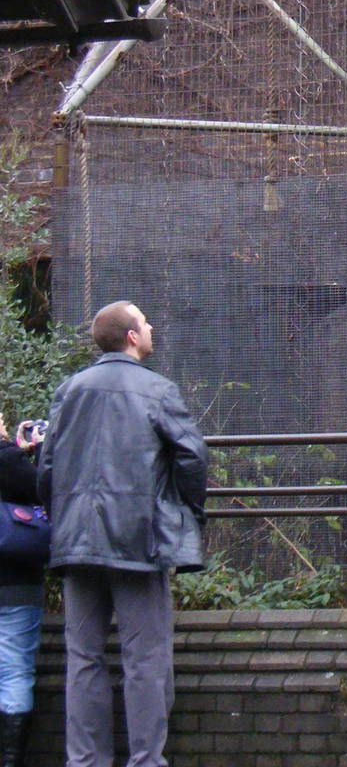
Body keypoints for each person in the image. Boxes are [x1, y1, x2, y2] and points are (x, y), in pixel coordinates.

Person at [38, 301, 207, 767]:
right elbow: (191, 458)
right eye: (146, 323)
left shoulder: (69, 389)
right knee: (145, 660)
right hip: (137, 541)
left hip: (75, 543)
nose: (151, 327)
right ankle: (145, 760)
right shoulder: (158, 391)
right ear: (132, 337)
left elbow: (47, 465)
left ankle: (85, 761)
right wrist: (186, 513)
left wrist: (63, 516)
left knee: (84, 658)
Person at [0, 415, 45, 766]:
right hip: (13, 583)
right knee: (14, 670)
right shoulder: (7, 459)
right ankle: (10, 758)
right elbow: (45, 491)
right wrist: (34, 450)